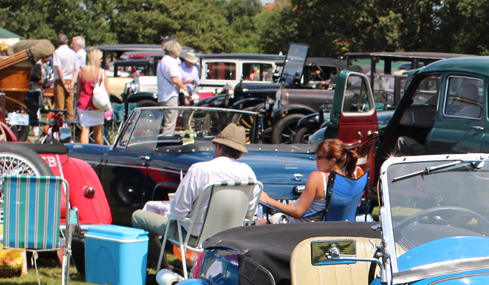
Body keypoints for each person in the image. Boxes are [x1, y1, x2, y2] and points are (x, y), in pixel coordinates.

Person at [131, 124, 258, 270]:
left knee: (138, 217)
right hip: (230, 237)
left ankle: (163, 268)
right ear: (240, 154)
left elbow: (178, 212)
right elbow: (250, 214)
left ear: (218, 147)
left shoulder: (200, 170)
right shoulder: (249, 174)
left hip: (195, 237)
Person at [258, 139, 367, 223]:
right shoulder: (351, 179)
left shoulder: (318, 177)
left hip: (303, 230)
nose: (315, 159)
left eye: (319, 156)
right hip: (334, 229)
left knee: (260, 222)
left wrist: (268, 200)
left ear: (332, 161)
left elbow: (297, 212)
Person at [74, 48, 107, 145]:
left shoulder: (81, 72)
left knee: (85, 130)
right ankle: (98, 152)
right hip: (97, 104)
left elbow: (78, 91)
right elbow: (107, 90)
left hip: (83, 104)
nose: (102, 60)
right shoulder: (101, 72)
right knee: (98, 132)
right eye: (100, 58)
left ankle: (85, 153)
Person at [156, 40, 185, 136]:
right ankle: (166, 144)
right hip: (170, 95)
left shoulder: (161, 62)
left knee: (166, 122)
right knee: (170, 124)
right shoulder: (171, 62)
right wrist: (184, 88)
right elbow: (175, 79)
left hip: (162, 95)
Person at [51, 35, 77, 120]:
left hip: (60, 81)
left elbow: (59, 69)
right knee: (69, 105)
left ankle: (59, 126)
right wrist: (72, 83)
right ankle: (69, 127)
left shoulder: (57, 52)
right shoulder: (73, 53)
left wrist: (64, 83)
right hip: (71, 80)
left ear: (57, 42)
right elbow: (76, 69)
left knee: (59, 106)